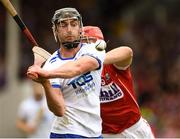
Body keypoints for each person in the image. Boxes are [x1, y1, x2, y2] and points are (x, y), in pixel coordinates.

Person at [27, 8, 105, 138]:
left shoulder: (95, 49)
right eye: (63, 25)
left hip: (95, 133)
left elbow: (77, 67)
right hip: (66, 132)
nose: (69, 29)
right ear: (55, 31)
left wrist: (47, 74)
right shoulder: (51, 64)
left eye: (73, 24)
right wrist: (45, 83)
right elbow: (59, 110)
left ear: (80, 28)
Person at [83, 26, 155, 138]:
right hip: (106, 134)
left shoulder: (111, 63)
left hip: (135, 129)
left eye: (88, 42)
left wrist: (95, 62)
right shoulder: (75, 72)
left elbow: (127, 51)